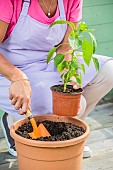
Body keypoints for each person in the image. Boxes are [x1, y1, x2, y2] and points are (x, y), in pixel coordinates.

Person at [0, 0, 113, 158]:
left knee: (108, 72)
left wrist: (70, 73)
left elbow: (65, 46)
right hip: (9, 69)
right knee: (71, 102)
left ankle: (67, 134)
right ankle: (17, 127)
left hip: (49, 62)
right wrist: (17, 77)